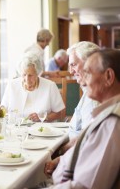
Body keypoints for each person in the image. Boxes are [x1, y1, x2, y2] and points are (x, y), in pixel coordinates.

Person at [50, 49, 120, 188]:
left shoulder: (112, 123)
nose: (82, 79)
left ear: (108, 77)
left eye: (87, 73)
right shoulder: (105, 112)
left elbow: (86, 186)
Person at [44, 41, 100, 177]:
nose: (70, 71)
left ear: (89, 63)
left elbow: (87, 141)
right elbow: (83, 131)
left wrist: (60, 155)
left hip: (78, 167)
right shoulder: (87, 91)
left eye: (74, 64)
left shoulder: (96, 96)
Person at [1, 53, 65, 122]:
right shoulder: (12, 85)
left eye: (30, 75)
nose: (27, 79)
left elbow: (59, 113)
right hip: (16, 128)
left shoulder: (50, 86)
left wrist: (43, 118)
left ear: (38, 73)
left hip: (42, 129)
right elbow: (3, 109)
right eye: (24, 75)